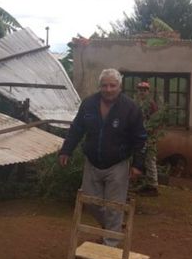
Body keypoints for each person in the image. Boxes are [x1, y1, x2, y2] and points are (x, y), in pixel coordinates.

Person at [59, 69, 147, 246]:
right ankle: (112, 229)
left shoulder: (130, 108)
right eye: (104, 85)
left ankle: (110, 245)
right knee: (90, 201)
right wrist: (66, 150)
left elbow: (140, 138)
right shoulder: (89, 104)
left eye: (112, 85)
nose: (108, 89)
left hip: (118, 164)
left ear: (119, 87)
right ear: (100, 86)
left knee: (115, 206)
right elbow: (77, 128)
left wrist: (138, 165)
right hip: (92, 162)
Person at [135, 81, 160, 196]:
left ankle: (153, 186)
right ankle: (146, 183)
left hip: (149, 136)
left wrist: (150, 134)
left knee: (150, 159)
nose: (142, 92)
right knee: (142, 159)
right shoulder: (138, 103)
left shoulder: (151, 104)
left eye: (144, 90)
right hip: (140, 135)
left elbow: (155, 122)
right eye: (140, 90)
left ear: (148, 92)